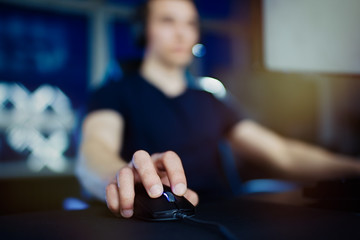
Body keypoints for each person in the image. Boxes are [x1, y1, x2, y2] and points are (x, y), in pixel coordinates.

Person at [76, 0, 360, 219]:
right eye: (167, 21)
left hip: (222, 214)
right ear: (143, 31)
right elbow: (94, 149)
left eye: (190, 24)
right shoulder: (113, 92)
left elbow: (281, 154)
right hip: (159, 220)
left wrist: (354, 167)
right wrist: (117, 177)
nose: (181, 33)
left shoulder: (210, 100)